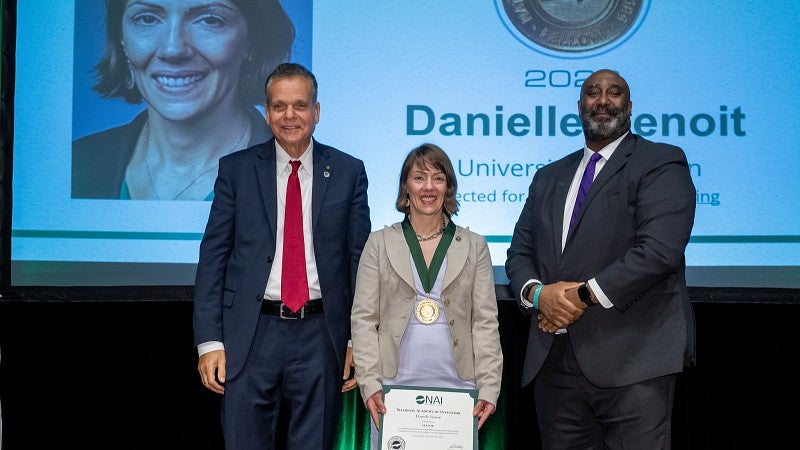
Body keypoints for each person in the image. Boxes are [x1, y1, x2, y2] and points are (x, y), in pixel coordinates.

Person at [505, 69, 696, 449]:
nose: (603, 100)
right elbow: (520, 252)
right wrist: (538, 294)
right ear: (579, 106)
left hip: (636, 361)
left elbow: (659, 252)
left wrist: (579, 296)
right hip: (555, 364)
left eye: (614, 93)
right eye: (593, 93)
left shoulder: (660, 162)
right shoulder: (548, 176)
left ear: (629, 105)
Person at [193, 63, 371, 449]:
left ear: (316, 111)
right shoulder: (235, 170)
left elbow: (360, 263)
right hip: (250, 335)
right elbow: (214, 259)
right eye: (279, 106)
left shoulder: (347, 171)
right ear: (266, 111)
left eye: (300, 105)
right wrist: (210, 342)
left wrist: (359, 340)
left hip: (322, 335)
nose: (289, 116)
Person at [351, 143, 503, 450]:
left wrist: (489, 387)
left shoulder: (474, 246)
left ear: (448, 187)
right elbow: (364, 319)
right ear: (405, 186)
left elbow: (486, 323)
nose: (428, 187)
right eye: (419, 177)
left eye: (438, 178)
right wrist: (369, 385)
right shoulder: (379, 243)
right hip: (393, 388)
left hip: (459, 387)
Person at [72, 0, 295, 200]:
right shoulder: (76, 164)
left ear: (252, 42)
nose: (173, 50)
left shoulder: (300, 176)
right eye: (147, 18)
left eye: (209, 20)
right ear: (122, 40)